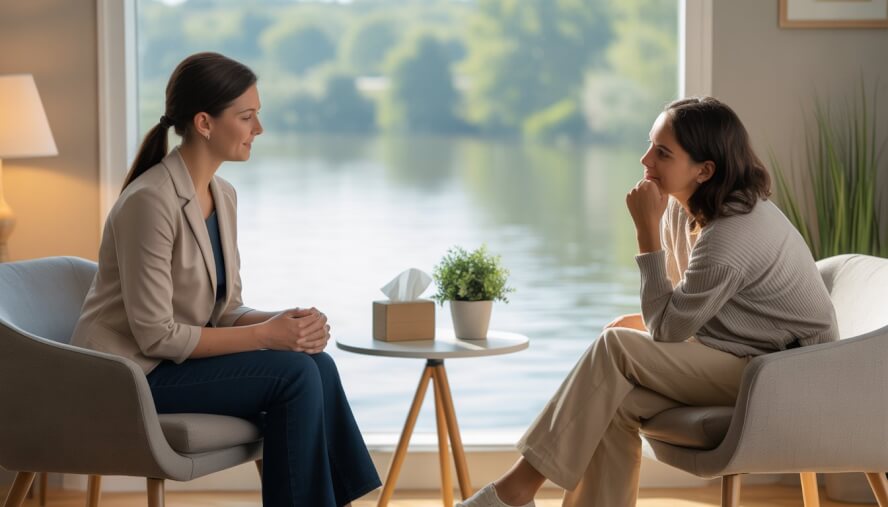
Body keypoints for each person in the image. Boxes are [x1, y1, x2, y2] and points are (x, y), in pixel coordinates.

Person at [458, 97, 839, 507]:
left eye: (662, 152)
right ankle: (521, 496)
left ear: (704, 170)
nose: (645, 159)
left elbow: (669, 329)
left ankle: (512, 493)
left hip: (786, 375)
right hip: (742, 356)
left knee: (615, 349)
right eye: (649, 144)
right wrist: (643, 321)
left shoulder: (733, 232)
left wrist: (645, 231)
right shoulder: (684, 207)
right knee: (610, 398)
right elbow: (681, 309)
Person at [71, 52, 381, 507]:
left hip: (172, 366)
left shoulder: (222, 194)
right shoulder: (150, 202)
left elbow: (225, 308)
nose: (259, 129)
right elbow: (156, 337)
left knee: (317, 363)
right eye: (247, 116)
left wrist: (285, 322)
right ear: (204, 123)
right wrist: (265, 337)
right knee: (294, 373)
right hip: (130, 377)